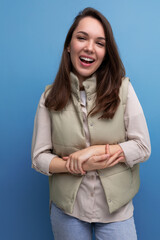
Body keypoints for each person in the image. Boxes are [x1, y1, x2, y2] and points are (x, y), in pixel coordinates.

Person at [31, 7, 151, 240]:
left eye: (100, 42)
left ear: (106, 52)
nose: (89, 47)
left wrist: (94, 152)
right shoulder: (49, 97)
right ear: (69, 45)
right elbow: (38, 158)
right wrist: (71, 165)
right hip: (67, 211)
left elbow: (143, 147)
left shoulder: (123, 89)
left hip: (117, 210)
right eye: (82, 38)